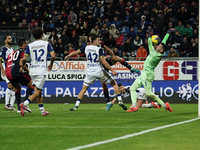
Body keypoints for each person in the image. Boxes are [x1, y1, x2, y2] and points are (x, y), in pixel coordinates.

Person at [65, 35, 126, 111]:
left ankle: (76, 106)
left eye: (100, 40)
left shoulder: (86, 47)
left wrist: (68, 55)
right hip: (99, 71)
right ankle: (120, 100)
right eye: (98, 40)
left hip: (90, 72)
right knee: (114, 83)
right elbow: (103, 62)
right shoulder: (99, 49)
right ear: (93, 41)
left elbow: (76, 52)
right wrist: (112, 70)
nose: (99, 41)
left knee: (83, 89)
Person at [127, 28, 176, 113]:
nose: (158, 45)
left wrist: (152, 37)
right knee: (132, 88)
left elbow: (161, 43)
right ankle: (134, 106)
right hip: (143, 73)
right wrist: (150, 36)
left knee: (149, 93)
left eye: (160, 46)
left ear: (161, 50)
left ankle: (164, 105)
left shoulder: (158, 55)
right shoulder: (154, 51)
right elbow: (152, 43)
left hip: (148, 75)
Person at [20, 28, 56, 117]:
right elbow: (53, 56)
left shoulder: (30, 45)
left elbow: (24, 58)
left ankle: (42, 111)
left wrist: (22, 66)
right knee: (38, 92)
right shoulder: (46, 44)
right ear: (41, 35)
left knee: (38, 91)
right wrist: (51, 64)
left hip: (32, 70)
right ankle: (24, 104)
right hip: (41, 70)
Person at [5, 39, 34, 113]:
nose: (28, 45)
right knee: (32, 85)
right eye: (27, 43)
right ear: (23, 44)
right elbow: (21, 63)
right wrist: (28, 71)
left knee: (18, 88)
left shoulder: (12, 52)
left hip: (8, 73)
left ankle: (19, 108)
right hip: (15, 71)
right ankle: (24, 104)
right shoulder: (22, 51)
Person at [0, 35, 16, 110]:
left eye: (11, 38)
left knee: (14, 87)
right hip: (7, 70)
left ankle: (11, 105)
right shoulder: (3, 49)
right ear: (5, 41)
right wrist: (2, 69)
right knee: (10, 85)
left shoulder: (12, 49)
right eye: (9, 38)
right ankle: (7, 104)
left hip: (12, 70)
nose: (11, 39)